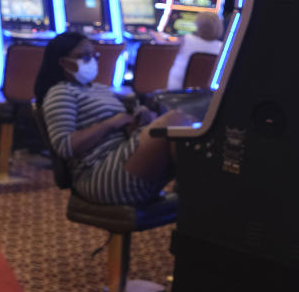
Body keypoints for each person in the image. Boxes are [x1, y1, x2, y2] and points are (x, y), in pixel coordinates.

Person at [36, 32, 190, 206]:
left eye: (95, 55)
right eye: (85, 56)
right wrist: (112, 123)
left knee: (182, 125)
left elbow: (119, 127)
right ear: (63, 62)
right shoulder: (60, 92)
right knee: (174, 119)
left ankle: (195, 199)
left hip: (123, 160)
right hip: (99, 174)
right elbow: (64, 146)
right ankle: (196, 198)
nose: (92, 60)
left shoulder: (99, 88)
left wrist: (136, 123)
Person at [163, 11, 224, 90]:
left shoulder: (186, 39)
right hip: (204, 93)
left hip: (176, 90)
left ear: (198, 25)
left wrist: (155, 35)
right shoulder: (222, 47)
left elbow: (164, 47)